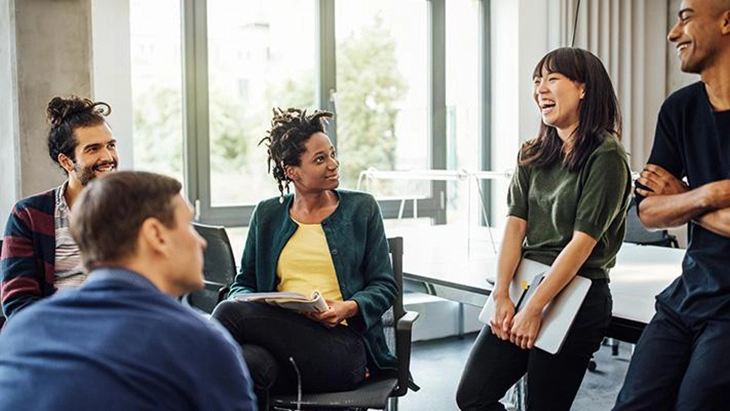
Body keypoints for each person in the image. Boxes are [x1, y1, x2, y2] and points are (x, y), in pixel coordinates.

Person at [456, 47, 631, 411]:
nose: (540, 90)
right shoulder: (531, 153)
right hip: (524, 285)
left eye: (552, 79)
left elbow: (581, 245)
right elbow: (514, 228)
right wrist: (502, 293)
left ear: (583, 89)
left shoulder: (606, 156)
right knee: (472, 396)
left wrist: (535, 308)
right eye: (537, 82)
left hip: (576, 294)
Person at [0, 171, 256, 410]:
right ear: (156, 235)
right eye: (188, 224)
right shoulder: (201, 344)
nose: (200, 241)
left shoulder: (21, 331)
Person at [211, 107, 398, 411]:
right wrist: (255, 300)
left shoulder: (362, 208)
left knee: (229, 314)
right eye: (320, 159)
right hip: (280, 350)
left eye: (332, 154)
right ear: (291, 171)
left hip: (342, 349)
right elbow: (242, 284)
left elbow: (385, 285)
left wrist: (347, 307)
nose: (333, 164)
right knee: (248, 364)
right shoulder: (267, 214)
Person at [614, 1, 730, 409]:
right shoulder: (679, 109)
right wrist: (708, 194)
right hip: (688, 294)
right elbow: (646, 212)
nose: (672, 33)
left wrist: (681, 198)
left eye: (684, 17)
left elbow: (667, 207)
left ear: (726, 20)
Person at [1, 96, 119, 321]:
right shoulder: (28, 215)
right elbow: (18, 303)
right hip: (51, 336)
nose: (107, 157)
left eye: (110, 145)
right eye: (93, 149)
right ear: (66, 162)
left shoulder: (134, 210)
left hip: (116, 333)